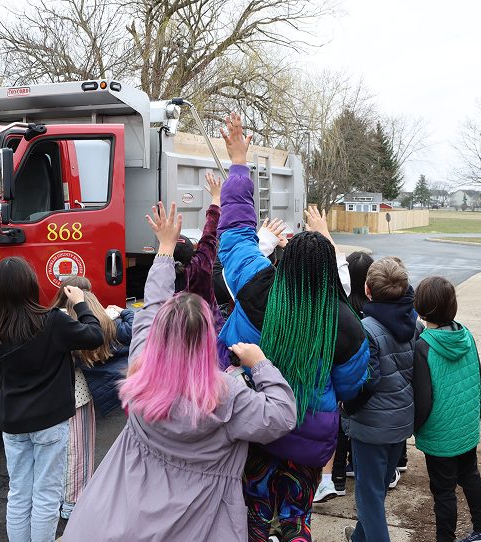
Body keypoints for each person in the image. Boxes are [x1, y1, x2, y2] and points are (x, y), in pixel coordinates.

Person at [60, 201, 297, 542]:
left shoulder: (140, 371)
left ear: (158, 334)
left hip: (123, 515)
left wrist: (165, 249)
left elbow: (151, 307)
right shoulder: (226, 395)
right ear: (206, 340)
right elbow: (282, 415)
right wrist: (260, 364)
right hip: (199, 522)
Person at [215, 112, 369, 542]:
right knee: (296, 520)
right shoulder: (345, 324)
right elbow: (353, 385)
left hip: (250, 424)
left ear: (280, 263)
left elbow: (234, 229)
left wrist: (239, 165)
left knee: (250, 516)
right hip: (309, 435)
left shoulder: (255, 283)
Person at [0, 257, 104, 542]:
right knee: (47, 496)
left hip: (12, 421)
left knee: (19, 493)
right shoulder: (53, 322)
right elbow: (95, 335)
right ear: (31, 285)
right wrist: (82, 304)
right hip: (50, 420)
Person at [341, 257, 422, 542]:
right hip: (401, 421)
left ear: (367, 289)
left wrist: (347, 407)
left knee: (369, 498)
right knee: (377, 490)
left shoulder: (367, 329)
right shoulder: (414, 323)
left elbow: (368, 381)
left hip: (371, 425)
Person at [412, 276, 481, 542]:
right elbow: (478, 378)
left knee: (444, 491)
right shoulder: (466, 335)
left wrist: (414, 427)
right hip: (466, 425)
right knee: (470, 474)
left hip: (439, 434)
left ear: (421, 307)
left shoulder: (424, 346)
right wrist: (475, 415)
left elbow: (423, 400)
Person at [50, 277, 132, 520]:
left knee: (55, 453)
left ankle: (56, 501)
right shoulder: (102, 323)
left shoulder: (54, 320)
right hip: (81, 397)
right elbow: (138, 326)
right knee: (80, 451)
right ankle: (74, 504)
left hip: (51, 396)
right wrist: (121, 311)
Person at [315, 251, 374, 504]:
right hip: (363, 389)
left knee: (337, 430)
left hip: (333, 387)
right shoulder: (368, 315)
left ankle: (335, 479)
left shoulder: (341, 309)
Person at [174, 171, 225, 331]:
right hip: (209, 332)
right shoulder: (201, 265)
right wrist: (216, 198)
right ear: (192, 253)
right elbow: (210, 232)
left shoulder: (161, 278)